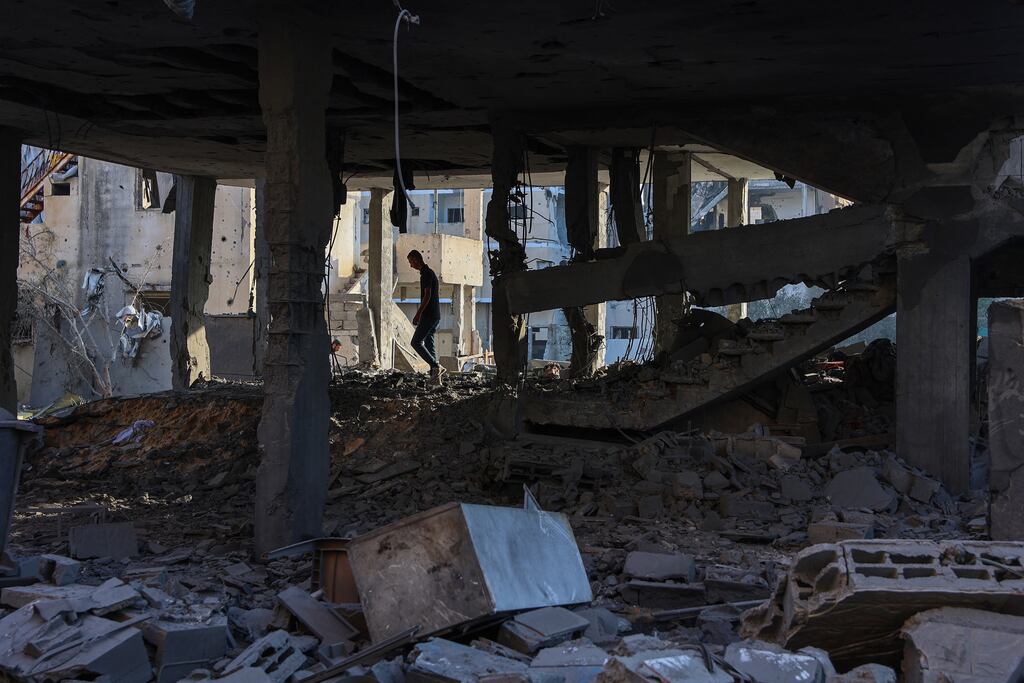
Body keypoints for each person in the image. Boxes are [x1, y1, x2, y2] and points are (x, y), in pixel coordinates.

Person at [407, 249, 446, 384]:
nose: (411, 265)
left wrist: (418, 314)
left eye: (411, 262)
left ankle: (435, 367)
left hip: (429, 315)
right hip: (435, 315)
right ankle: (436, 378)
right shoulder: (429, 273)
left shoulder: (426, 274)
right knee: (429, 343)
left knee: (416, 342)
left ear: (416, 260)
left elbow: (427, 294)